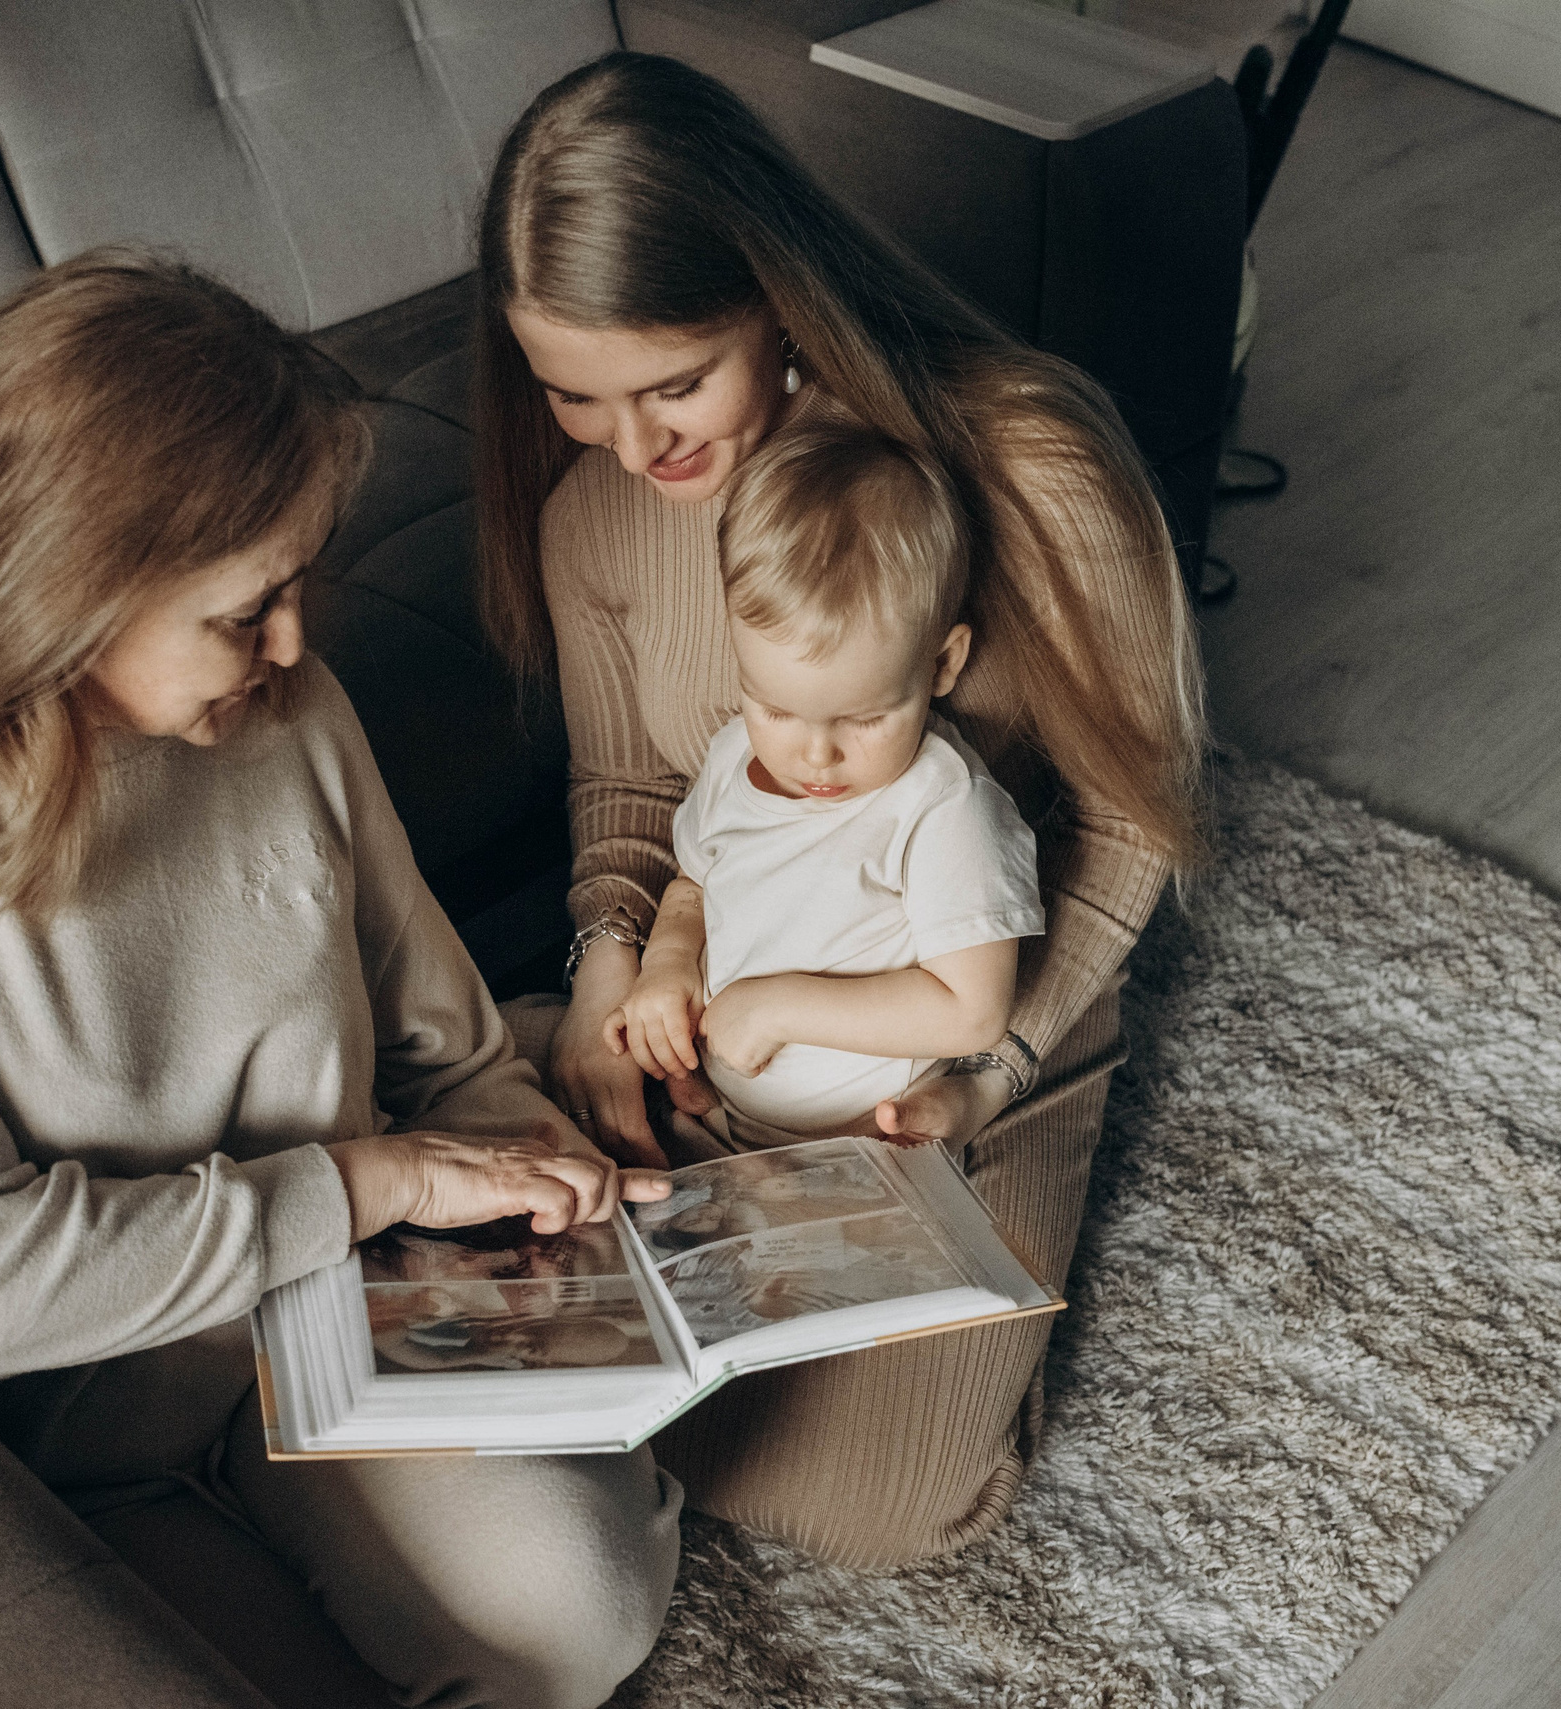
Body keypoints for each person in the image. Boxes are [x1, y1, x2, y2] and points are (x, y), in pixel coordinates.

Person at [0, 249, 678, 1709]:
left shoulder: (290, 710)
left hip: (322, 1331)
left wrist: (553, 1206)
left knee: (572, 1614)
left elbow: (444, 1049)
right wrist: (375, 1182)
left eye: (298, 586)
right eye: (243, 607)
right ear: (62, 584)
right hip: (54, 1424)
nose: (292, 646)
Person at [474, 53, 1207, 1568]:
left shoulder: (1028, 467)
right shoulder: (590, 512)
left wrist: (985, 1076)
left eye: (676, 383)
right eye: (572, 393)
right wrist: (613, 967)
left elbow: (1131, 826)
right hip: (719, 1012)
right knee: (530, 1383)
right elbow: (627, 791)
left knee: (867, 1507)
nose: (637, 448)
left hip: (944, 1056)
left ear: (775, 294)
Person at [600, 415, 1044, 1152]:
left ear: (941, 664)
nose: (814, 755)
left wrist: (778, 1008)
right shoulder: (735, 755)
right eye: (775, 706)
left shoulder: (941, 805)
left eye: (863, 718)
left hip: (862, 1146)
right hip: (719, 1113)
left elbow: (971, 1010)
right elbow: (694, 883)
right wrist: (670, 963)